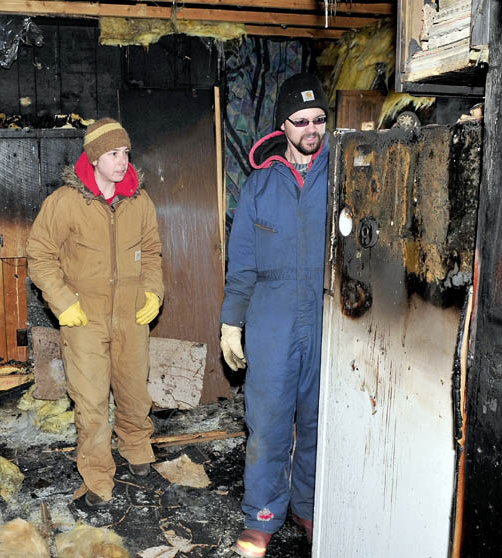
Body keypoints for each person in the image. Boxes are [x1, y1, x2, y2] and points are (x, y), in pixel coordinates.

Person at [26, 118, 164, 507]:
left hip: (131, 314)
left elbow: (152, 252)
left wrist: (153, 292)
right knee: (91, 403)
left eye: (125, 153)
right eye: (113, 154)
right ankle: (99, 478)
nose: (122, 162)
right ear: (93, 158)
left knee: (135, 392)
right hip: (84, 316)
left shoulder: (139, 201)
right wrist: (62, 301)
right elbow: (40, 255)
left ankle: (137, 448)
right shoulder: (66, 202)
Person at [219, 72, 330, 557]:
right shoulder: (260, 184)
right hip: (272, 314)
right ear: (283, 125)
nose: (312, 129)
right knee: (266, 422)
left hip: (328, 312)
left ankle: (310, 507)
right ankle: (262, 515)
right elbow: (242, 260)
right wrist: (231, 322)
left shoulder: (346, 172)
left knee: (319, 420)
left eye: (319, 119)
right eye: (301, 121)